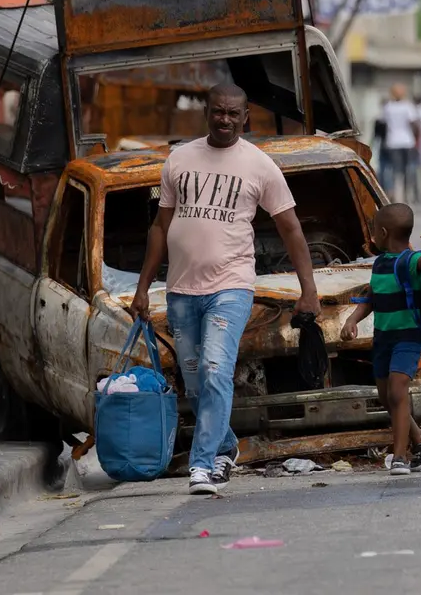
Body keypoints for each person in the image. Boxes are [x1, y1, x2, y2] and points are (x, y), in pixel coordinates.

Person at [128, 84, 322, 495]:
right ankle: (225, 446)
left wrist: (309, 289)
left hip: (231, 286)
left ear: (246, 115)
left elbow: (291, 228)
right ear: (207, 112)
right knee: (195, 381)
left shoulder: (260, 165)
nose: (225, 120)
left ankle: (202, 465)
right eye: (218, 112)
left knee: (217, 370)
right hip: (180, 290)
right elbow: (160, 227)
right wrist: (143, 287)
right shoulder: (179, 159)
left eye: (234, 114)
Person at [340, 203, 421, 475]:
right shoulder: (380, 264)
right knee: (386, 397)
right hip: (382, 338)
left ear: (382, 233)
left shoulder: (409, 261)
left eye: (373, 231)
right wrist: (352, 320)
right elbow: (371, 298)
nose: (371, 236)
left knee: (397, 391)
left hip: (407, 337)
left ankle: (400, 456)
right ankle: (420, 439)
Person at [379, 84, 419, 202]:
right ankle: (408, 196)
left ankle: (398, 196)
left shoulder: (388, 107)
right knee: (408, 169)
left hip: (392, 142)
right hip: (407, 141)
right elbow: (414, 123)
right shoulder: (408, 106)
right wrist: (416, 138)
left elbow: (382, 123)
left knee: (396, 171)